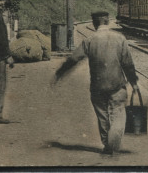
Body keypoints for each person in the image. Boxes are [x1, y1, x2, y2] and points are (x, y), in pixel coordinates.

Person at [53, 12, 139, 156]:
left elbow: (74, 59)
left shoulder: (89, 40)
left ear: (94, 23)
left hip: (97, 86)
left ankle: (107, 145)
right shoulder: (120, 38)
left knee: (102, 115)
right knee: (118, 113)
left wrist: (59, 73)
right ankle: (114, 141)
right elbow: (128, 63)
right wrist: (134, 82)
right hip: (117, 85)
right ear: (107, 21)